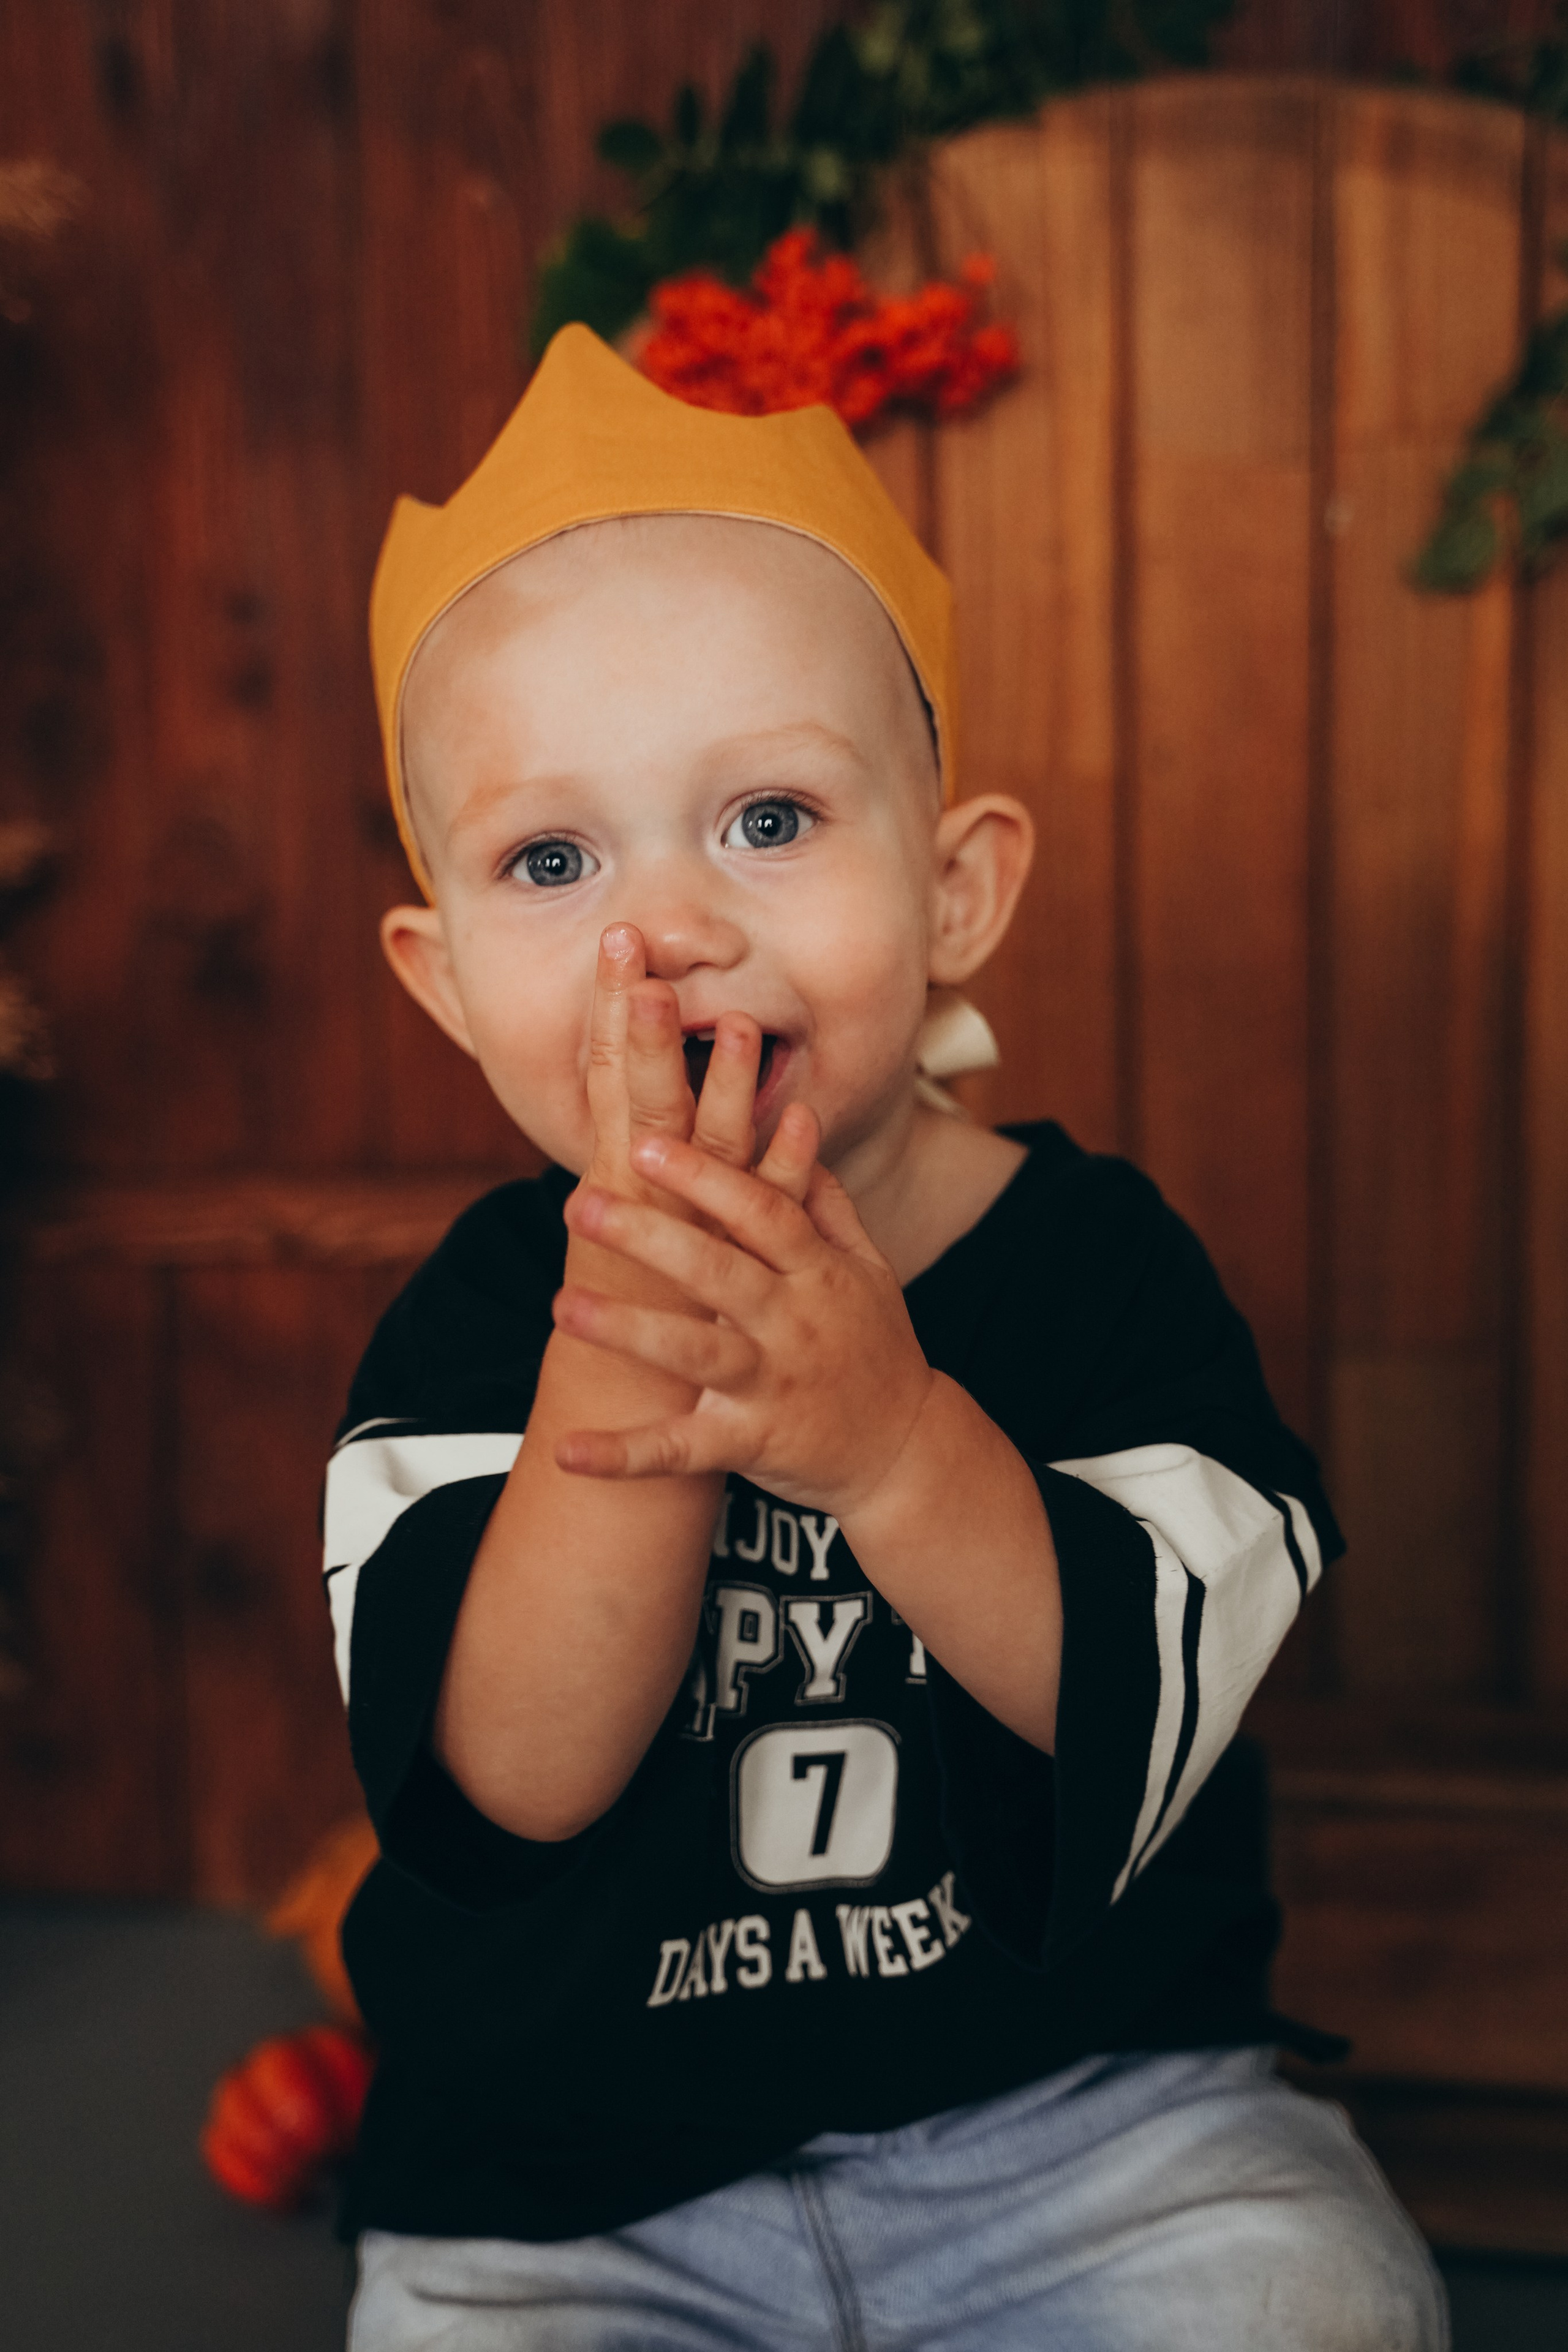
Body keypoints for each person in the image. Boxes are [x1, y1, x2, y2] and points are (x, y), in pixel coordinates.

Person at [327, 326, 1447, 2348]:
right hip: (572, 2185)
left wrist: (893, 1445)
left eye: (767, 819)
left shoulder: (1100, 1264)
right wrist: (627, 1351)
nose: (664, 927)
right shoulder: (472, 1328)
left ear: (955, 893)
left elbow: (1157, 1683)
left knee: (1317, 2309)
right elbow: (513, 1777)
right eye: (552, 860)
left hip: (1086, 2128)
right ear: (441, 980)